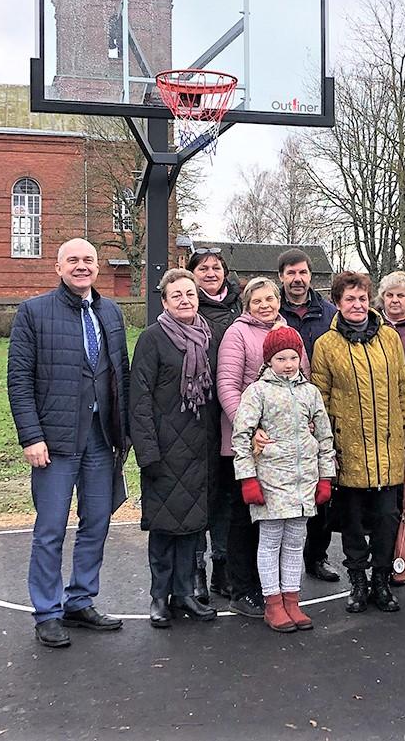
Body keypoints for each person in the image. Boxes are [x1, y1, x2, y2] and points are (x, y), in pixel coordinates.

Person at [9, 238, 131, 648]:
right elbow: (19, 380)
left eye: (88, 260)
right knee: (50, 529)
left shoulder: (110, 311)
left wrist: (123, 433)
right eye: (73, 260)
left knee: (97, 522)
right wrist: (31, 436)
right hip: (55, 442)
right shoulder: (34, 312)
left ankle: (80, 599)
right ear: (58, 268)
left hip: (101, 440)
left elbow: (122, 377)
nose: (82, 266)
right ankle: (47, 611)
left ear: (98, 267)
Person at [310, 271, 405, 615]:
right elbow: (320, 400)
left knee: (387, 517)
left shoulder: (388, 338)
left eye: (361, 298)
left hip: (389, 448)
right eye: (349, 299)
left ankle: (382, 582)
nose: (356, 305)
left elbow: (403, 390)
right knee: (352, 521)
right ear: (338, 304)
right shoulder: (326, 345)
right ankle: (357, 582)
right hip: (347, 451)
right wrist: (327, 448)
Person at [129, 269, 219, 629]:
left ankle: (184, 593)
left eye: (190, 294)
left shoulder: (210, 336)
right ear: (164, 301)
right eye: (177, 295)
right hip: (164, 450)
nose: (185, 300)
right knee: (165, 528)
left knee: (193, 528)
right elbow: (139, 400)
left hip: (201, 448)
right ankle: (159, 597)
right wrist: (147, 452)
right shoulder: (152, 339)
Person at [232, 326, 337, 633]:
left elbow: (324, 436)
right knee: (270, 542)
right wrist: (247, 478)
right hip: (271, 480)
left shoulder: (310, 392)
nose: (288, 364)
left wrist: (325, 477)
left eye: (293, 357)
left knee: (295, 542)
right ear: (269, 361)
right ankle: (273, 602)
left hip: (303, 480)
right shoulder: (257, 392)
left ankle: (292, 599)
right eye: (281, 358)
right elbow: (242, 436)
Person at [216, 277, 310, 618]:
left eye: (270, 298)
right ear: (247, 304)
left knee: (278, 521)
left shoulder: (289, 334)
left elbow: (304, 381)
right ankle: (243, 588)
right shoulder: (237, 334)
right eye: (257, 301)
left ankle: (274, 588)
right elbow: (227, 385)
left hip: (285, 450)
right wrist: (251, 427)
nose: (265, 305)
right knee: (244, 518)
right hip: (248, 443)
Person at [277, 248, 342, 584]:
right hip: (279, 418)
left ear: (310, 276)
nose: (297, 279)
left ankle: (317, 555)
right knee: (281, 492)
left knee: (320, 491)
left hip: (320, 414)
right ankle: (277, 563)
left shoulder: (330, 313)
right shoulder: (273, 312)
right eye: (290, 273)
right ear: (281, 278)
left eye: (302, 272)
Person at [189, 247, 242, 602]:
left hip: (230, 418)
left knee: (226, 496)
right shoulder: (188, 311)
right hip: (195, 418)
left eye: (216, 267)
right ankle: (196, 570)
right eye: (203, 268)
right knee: (198, 497)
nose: (210, 272)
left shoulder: (240, 309)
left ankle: (223, 566)